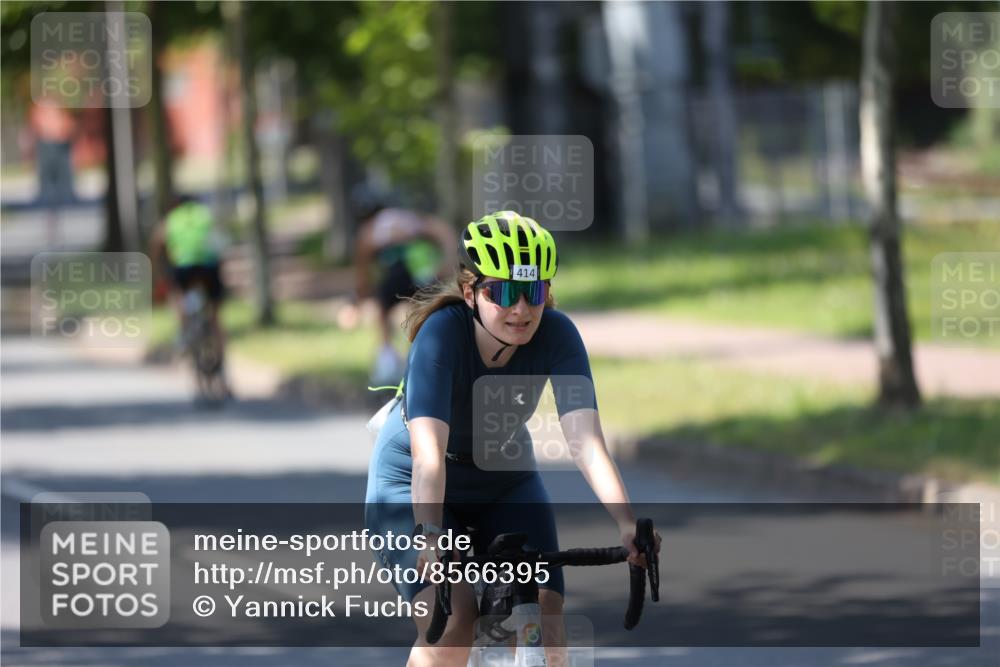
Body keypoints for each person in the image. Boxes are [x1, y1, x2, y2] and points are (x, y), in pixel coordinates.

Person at [364, 211, 661, 666]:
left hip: (504, 480)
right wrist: (429, 535)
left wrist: (626, 524)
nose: (521, 309)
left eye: (533, 291)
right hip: (413, 483)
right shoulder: (442, 335)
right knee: (455, 624)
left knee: (545, 619)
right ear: (470, 293)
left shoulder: (558, 334)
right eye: (502, 292)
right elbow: (428, 456)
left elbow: (585, 442)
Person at [341, 187, 455, 386]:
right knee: (424, 316)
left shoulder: (368, 231)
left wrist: (357, 299)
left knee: (382, 308)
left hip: (398, 274)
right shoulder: (405, 217)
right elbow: (442, 230)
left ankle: (387, 360)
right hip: (424, 275)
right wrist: (447, 263)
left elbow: (363, 275)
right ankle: (423, 357)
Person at [150, 195, 229, 384]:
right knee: (215, 317)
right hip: (209, 267)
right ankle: (222, 363)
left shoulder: (172, 219)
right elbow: (221, 243)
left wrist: (158, 272)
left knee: (176, 296)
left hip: (184, 267)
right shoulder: (206, 215)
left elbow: (156, 244)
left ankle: (184, 331)